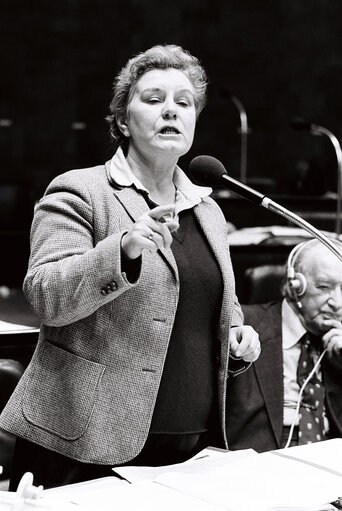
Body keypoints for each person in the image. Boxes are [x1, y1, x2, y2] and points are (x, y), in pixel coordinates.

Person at [0, 44, 260, 489]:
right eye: (154, 99)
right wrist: (122, 250)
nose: (171, 112)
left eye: (184, 103)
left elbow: (214, 305)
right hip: (82, 443)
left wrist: (236, 335)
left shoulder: (208, 211)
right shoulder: (81, 191)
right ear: (122, 120)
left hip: (189, 446)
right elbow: (46, 296)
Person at [226, 238, 342, 453]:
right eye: (324, 287)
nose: (337, 302)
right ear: (295, 286)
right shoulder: (243, 326)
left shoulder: (338, 341)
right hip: (257, 461)